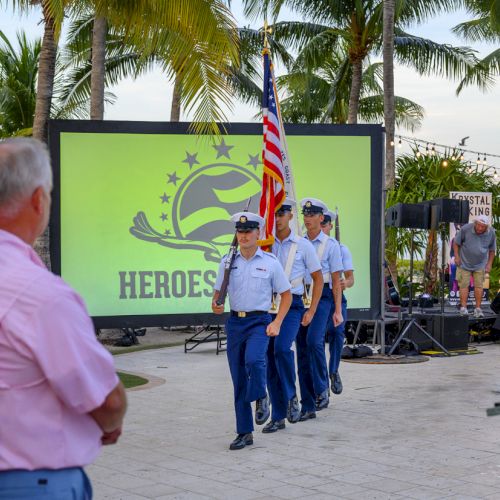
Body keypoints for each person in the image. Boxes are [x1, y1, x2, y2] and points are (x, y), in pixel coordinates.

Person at [0, 138, 127, 499]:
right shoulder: (40, 295)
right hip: (29, 484)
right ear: (39, 199)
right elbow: (107, 400)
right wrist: (109, 423)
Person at [212, 212, 292, 450]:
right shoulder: (227, 262)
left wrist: (277, 322)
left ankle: (261, 395)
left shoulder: (270, 263)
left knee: (255, 361)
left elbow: (286, 295)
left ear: (258, 234)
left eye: (248, 232)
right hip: (236, 323)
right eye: (240, 232)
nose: (244, 236)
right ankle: (244, 432)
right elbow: (217, 294)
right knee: (238, 378)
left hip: (259, 322)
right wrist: (215, 304)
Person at [264, 199, 323, 433]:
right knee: (269, 358)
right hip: (267, 306)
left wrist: (312, 310)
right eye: (274, 214)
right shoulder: (265, 245)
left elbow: (318, 279)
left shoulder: (302, 245)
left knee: (281, 348)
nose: (277, 218)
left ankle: (291, 396)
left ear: (290, 216)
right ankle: (278, 416)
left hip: (293, 305)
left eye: (282, 213)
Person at [296, 198, 343, 421]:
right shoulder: (297, 242)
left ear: (321, 218)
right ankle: (308, 395)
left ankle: (322, 387)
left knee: (314, 341)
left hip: (322, 295)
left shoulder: (331, 246)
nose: (307, 218)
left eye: (312, 214)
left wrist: (337, 310)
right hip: (301, 296)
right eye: (305, 214)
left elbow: (336, 279)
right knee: (302, 347)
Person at [321, 210, 354, 395]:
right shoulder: (308, 246)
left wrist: (344, 283)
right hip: (317, 298)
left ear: (330, 226)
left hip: (337, 298)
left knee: (337, 332)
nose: (322, 228)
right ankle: (321, 382)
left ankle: (333, 370)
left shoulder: (340, 248)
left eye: (325, 225)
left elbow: (350, 278)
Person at [453, 215, 496, 318]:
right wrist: (457, 256)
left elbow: (492, 250)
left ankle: (478, 309)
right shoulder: (466, 228)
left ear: (487, 226)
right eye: (479, 225)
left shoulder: (491, 233)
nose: (480, 228)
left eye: (483, 227)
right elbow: (456, 243)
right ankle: (463, 308)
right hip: (464, 263)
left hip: (480, 264)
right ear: (475, 223)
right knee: (464, 285)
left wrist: (489, 264)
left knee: (479, 286)